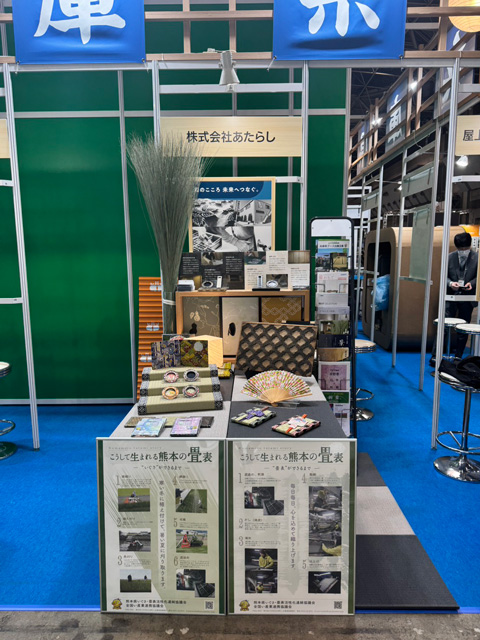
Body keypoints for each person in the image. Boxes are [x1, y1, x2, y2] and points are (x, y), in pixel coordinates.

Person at [430, 232, 478, 365]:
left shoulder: (477, 258)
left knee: (464, 327)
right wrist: (451, 283)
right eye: (460, 249)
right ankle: (435, 355)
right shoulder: (449, 257)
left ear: (470, 246)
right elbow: (443, 276)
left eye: (465, 249)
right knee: (444, 326)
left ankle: (458, 356)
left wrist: (471, 284)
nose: (463, 251)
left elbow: (478, 277)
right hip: (450, 296)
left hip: (468, 297)